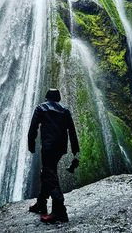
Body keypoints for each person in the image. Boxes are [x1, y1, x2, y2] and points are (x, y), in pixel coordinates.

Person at [28, 88, 80, 223]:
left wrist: (31, 144)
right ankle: (41, 203)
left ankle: (60, 211)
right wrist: (75, 150)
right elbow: (72, 131)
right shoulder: (65, 110)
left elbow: (33, 127)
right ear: (58, 98)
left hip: (48, 147)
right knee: (47, 171)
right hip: (60, 148)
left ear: (47, 97)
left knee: (49, 174)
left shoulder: (41, 108)